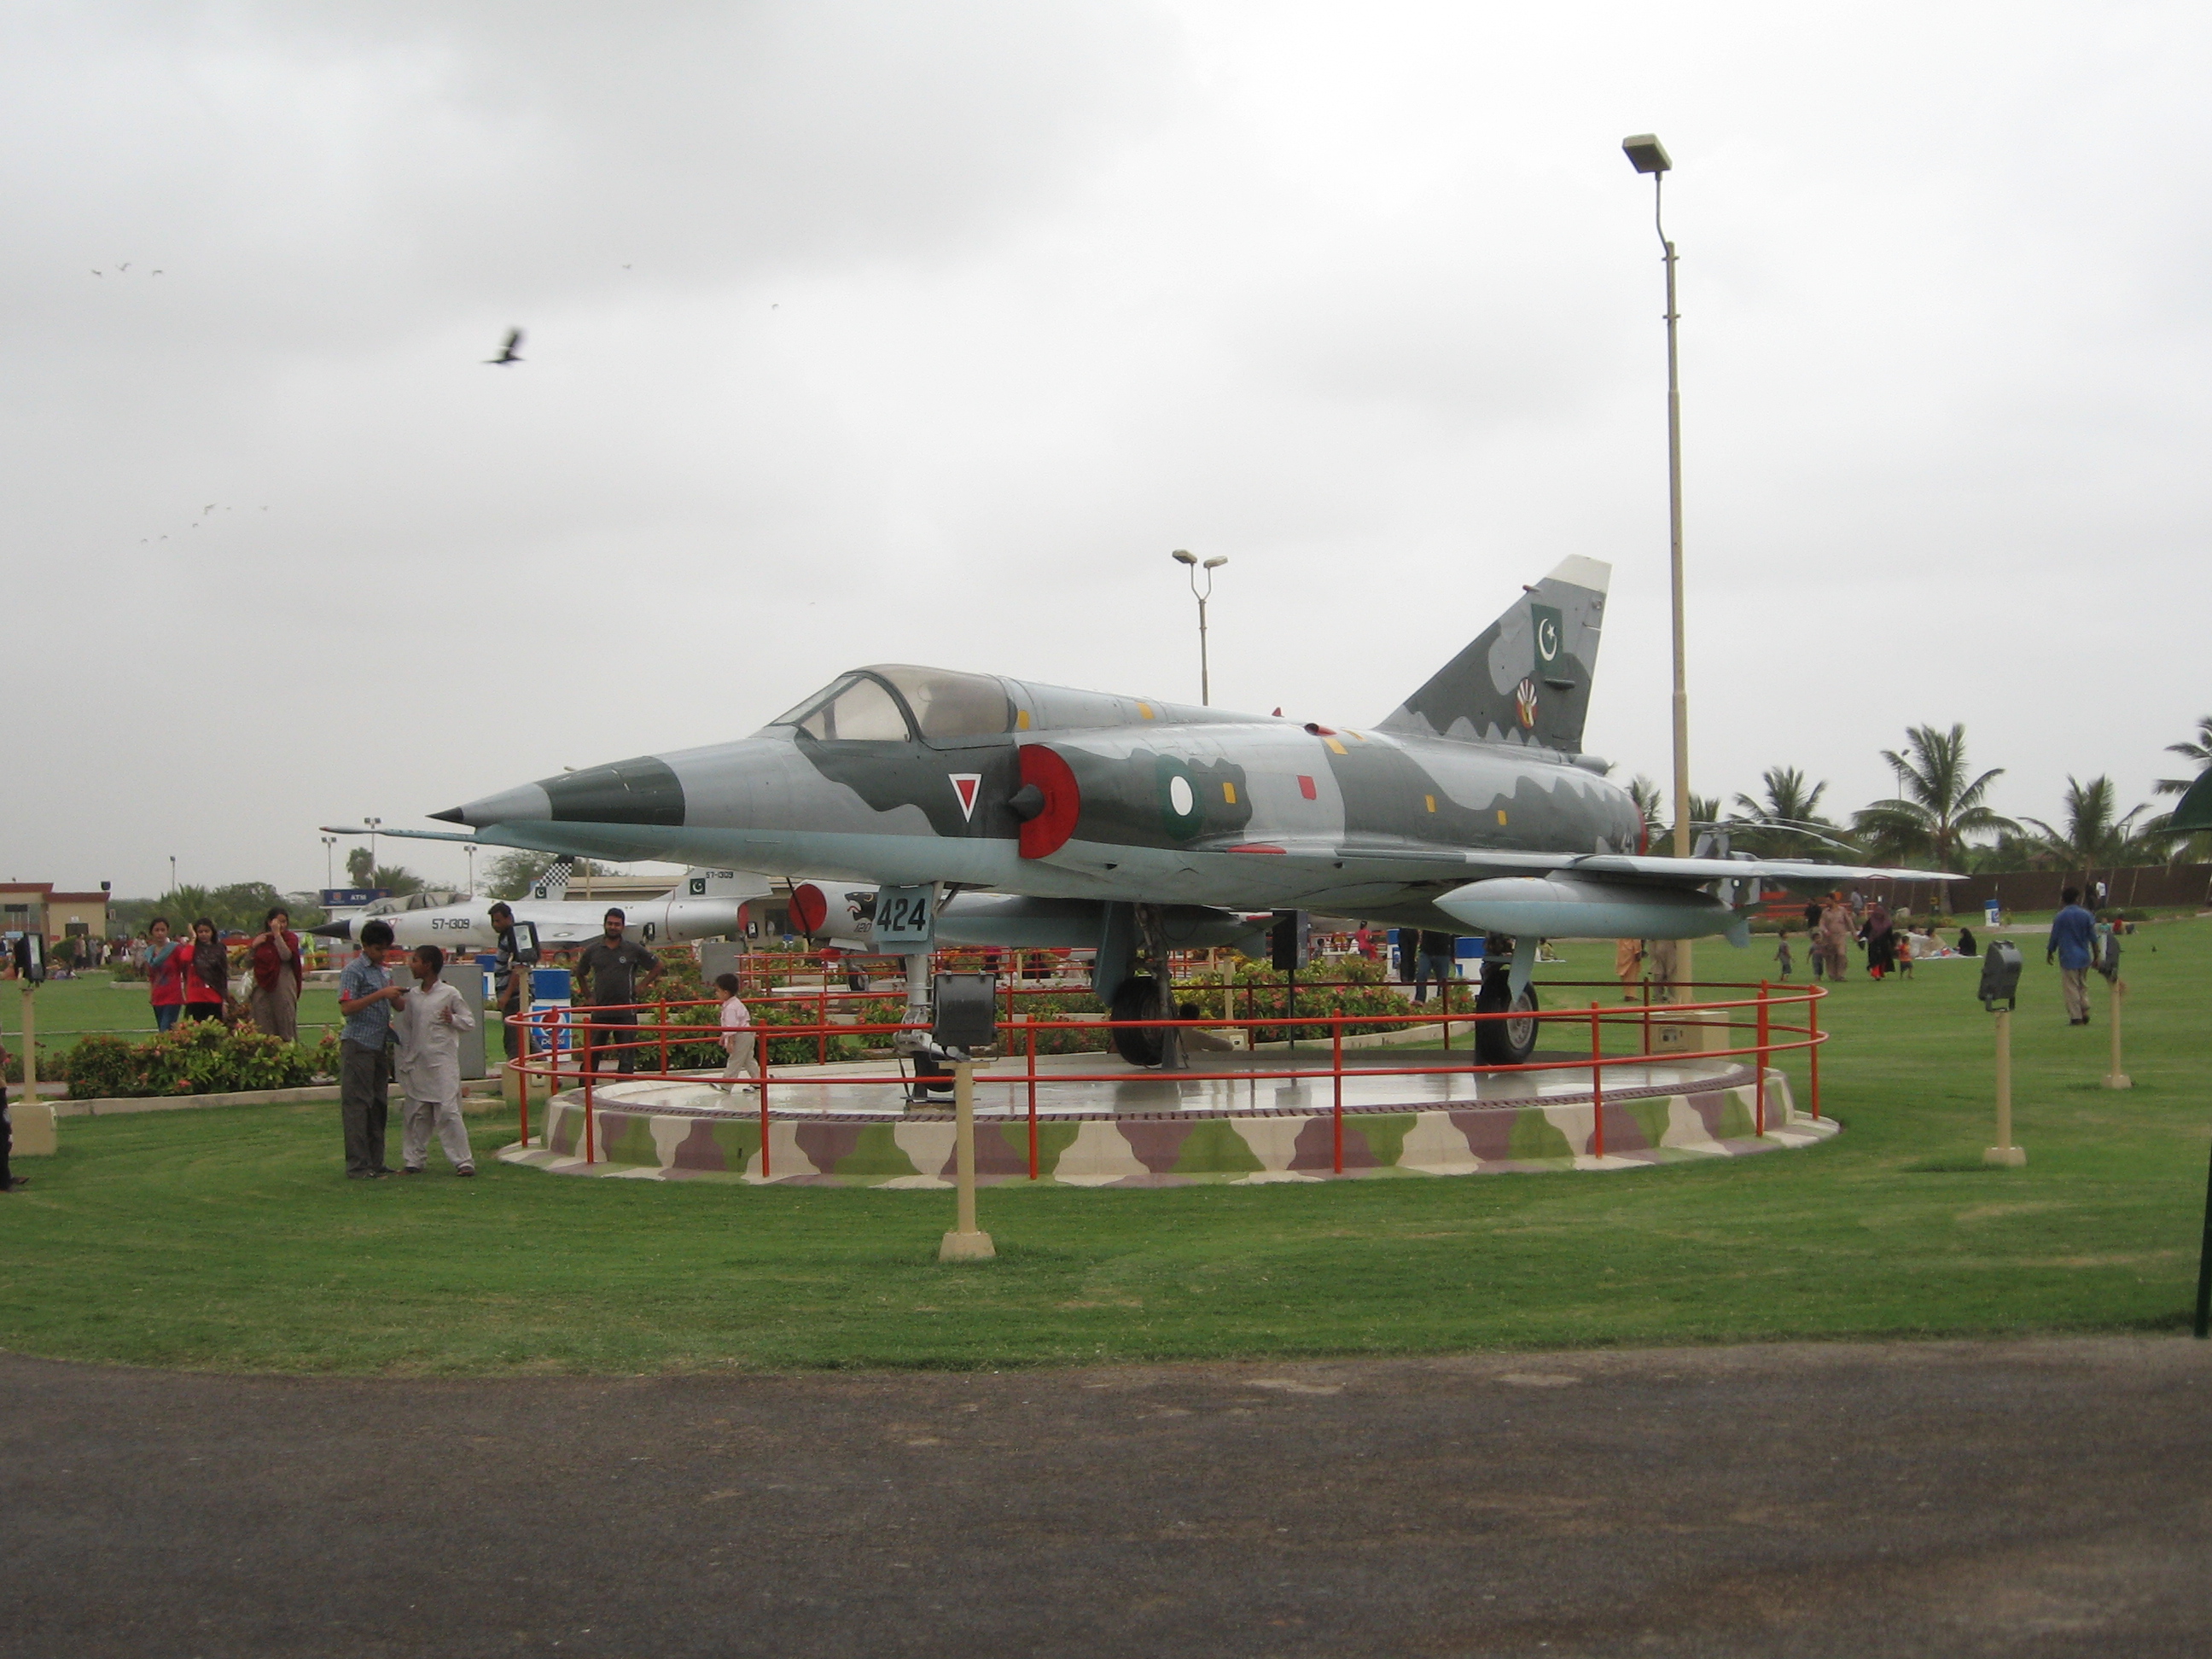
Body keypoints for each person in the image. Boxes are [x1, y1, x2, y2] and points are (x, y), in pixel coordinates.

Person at [394, 945, 477, 1176]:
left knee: (448, 1111)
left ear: (428, 965)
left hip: (442, 1062)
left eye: (416, 961)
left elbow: (469, 1022)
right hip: (418, 1062)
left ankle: (464, 1162)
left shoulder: (449, 994)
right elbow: (409, 1028)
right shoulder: (413, 995)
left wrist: (452, 1019)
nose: (411, 965)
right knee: (416, 1113)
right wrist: (407, 1057)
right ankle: (413, 1161)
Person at [336, 918, 409, 1179]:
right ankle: (357, 1165)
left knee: (378, 1104)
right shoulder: (353, 971)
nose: (383, 954)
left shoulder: (383, 971)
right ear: (365, 946)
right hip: (358, 1044)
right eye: (378, 949)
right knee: (358, 1105)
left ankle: (376, 1162)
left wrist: (401, 997)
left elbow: (397, 1005)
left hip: (379, 1044)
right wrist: (380, 995)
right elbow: (346, 1007)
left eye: (386, 949)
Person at [574, 908, 662, 1074]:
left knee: (627, 1056)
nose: (613, 927)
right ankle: (584, 1088)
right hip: (601, 1011)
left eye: (617, 924)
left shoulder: (633, 949)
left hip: (625, 1011)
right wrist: (587, 995)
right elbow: (579, 972)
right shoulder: (593, 950)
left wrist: (642, 986)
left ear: (623, 927)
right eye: (610, 924)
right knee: (592, 1054)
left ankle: (624, 1088)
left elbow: (657, 966)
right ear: (604, 925)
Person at [247, 906, 304, 1041]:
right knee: (263, 1024)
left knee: (285, 1023)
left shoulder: (290, 938)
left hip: (282, 986)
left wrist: (277, 935)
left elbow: (286, 956)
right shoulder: (262, 939)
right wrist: (253, 946)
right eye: (278, 922)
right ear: (269, 922)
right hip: (262, 986)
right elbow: (247, 963)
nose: (281, 925)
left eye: (284, 922)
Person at [2047, 886, 2098, 1026]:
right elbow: (2093, 938)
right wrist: (2097, 956)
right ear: (2077, 898)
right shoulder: (2087, 915)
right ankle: (2085, 1009)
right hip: (2084, 956)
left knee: (2071, 987)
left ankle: (2076, 1017)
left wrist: (2050, 952)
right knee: (2082, 985)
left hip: (2068, 957)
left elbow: (2054, 937)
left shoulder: (2060, 916)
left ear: (2063, 900)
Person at [487, 901, 527, 1062]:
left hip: (515, 995)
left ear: (509, 918)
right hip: (512, 994)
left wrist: (506, 995)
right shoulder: (506, 937)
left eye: (498, 920)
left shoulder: (513, 937)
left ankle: (516, 1070)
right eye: (493, 921)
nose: (495, 925)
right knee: (523, 1035)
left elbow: (518, 969)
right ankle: (546, 1070)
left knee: (513, 1039)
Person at [711, 971, 760, 1091]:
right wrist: (724, 1036)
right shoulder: (734, 1004)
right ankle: (758, 1081)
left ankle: (726, 1085)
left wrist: (731, 1042)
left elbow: (732, 1027)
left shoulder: (731, 1008)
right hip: (747, 1033)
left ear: (725, 992)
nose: (716, 994)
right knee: (748, 1059)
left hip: (741, 1035)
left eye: (718, 991)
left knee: (735, 1059)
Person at [181, 917, 229, 1023]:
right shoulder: (192, 948)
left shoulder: (219, 949)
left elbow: (222, 975)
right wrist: (193, 938)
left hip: (214, 997)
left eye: (206, 931)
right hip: (195, 997)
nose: (203, 934)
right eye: (200, 932)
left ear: (212, 932)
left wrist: (224, 1000)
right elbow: (185, 958)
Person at [144, 917, 188, 1033]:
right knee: (163, 1031)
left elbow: (186, 969)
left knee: (166, 1030)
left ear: (167, 931)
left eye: (162, 930)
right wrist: (151, 994)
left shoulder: (175, 949)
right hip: (158, 997)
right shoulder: (149, 953)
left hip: (173, 997)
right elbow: (151, 977)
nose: (160, 933)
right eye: (157, 930)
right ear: (152, 932)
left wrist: (187, 991)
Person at [1412, 930, 1458, 1004]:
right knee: (1421, 975)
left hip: (1443, 952)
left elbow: (1453, 935)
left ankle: (1440, 1001)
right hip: (1426, 951)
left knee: (1443, 980)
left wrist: (1452, 953)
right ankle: (1420, 999)